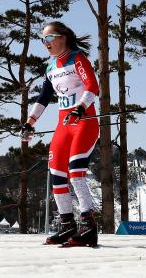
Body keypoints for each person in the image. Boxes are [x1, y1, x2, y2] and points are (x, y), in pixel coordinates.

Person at [22, 21, 100, 247]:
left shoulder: (77, 59)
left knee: (76, 172)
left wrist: (80, 109)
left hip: (83, 122)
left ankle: (88, 226)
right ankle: (67, 224)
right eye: (42, 40)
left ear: (62, 38)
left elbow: (92, 86)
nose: (45, 43)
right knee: (56, 173)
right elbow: (43, 97)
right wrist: (30, 122)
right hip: (64, 125)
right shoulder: (50, 68)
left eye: (49, 38)